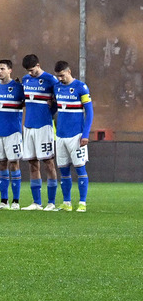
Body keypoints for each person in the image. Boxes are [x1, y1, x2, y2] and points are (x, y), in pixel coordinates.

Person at [50, 61, 93, 213]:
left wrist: (85, 134)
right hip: (60, 135)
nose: (60, 79)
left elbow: (90, 113)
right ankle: (66, 203)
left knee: (80, 169)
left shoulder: (81, 87)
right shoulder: (57, 87)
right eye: (58, 76)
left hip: (76, 135)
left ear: (69, 71)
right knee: (64, 170)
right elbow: (55, 108)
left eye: (62, 75)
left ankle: (82, 203)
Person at [20, 54, 61, 210]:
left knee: (49, 163)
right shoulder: (25, 80)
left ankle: (51, 202)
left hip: (44, 126)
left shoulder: (51, 80)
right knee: (32, 164)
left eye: (32, 70)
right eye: (28, 71)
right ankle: (37, 202)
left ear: (38, 65)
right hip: (28, 126)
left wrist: (51, 109)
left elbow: (59, 100)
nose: (30, 73)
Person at [0, 60, 25, 209]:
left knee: (14, 164)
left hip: (13, 132)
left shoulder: (18, 88)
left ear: (10, 70)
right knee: (1, 165)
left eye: (2, 68)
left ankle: (16, 201)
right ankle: (4, 201)